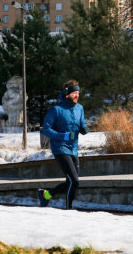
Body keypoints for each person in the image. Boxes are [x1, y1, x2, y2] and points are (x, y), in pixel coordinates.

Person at [38, 80, 89, 209]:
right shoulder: (56, 110)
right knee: (74, 180)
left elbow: (81, 123)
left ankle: (46, 195)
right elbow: (46, 129)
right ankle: (69, 209)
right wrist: (63, 136)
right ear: (67, 94)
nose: (77, 95)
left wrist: (84, 128)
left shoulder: (80, 108)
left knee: (72, 182)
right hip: (60, 148)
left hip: (73, 148)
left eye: (78, 93)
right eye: (74, 93)